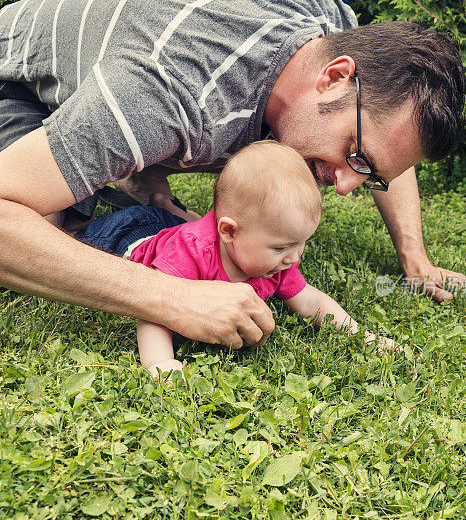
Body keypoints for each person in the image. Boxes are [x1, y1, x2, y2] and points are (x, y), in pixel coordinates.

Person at [0, 0, 466, 352]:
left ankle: (132, 169)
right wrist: (173, 298)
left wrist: (416, 260)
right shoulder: (172, 91)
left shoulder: (328, 21)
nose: (347, 186)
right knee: (44, 236)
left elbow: (385, 139)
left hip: (127, 68)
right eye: (353, 154)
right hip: (15, 76)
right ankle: (113, 172)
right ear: (334, 78)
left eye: (368, 174)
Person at [76, 142, 398, 376]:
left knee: (177, 222)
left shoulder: (278, 263)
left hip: (187, 231)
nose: (294, 258)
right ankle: (149, 206)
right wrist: (160, 363)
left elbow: (311, 300)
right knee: (76, 234)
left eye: (301, 243)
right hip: (132, 235)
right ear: (229, 232)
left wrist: (361, 334)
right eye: (281, 247)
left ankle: (167, 206)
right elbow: (155, 311)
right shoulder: (191, 254)